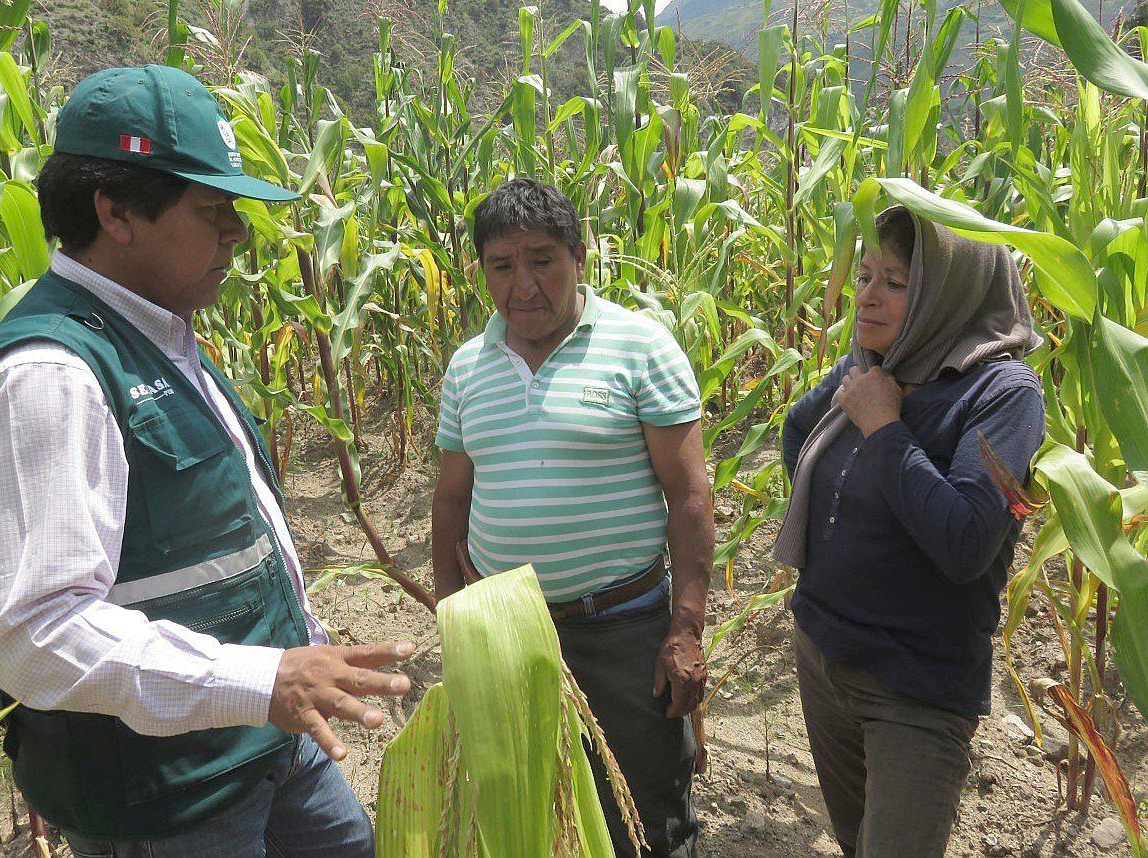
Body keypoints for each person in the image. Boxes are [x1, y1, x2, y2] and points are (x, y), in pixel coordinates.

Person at [0, 65, 414, 857]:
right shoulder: (49, 376)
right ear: (116, 212)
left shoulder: (164, 335)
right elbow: (33, 630)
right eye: (213, 208)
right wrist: (263, 679)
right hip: (167, 798)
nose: (238, 232)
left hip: (269, 745)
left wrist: (292, 656)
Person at [430, 177, 713, 857]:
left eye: (542, 260)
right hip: (511, 634)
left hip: (624, 630)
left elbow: (691, 497)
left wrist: (685, 629)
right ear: (482, 274)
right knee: (528, 809)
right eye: (502, 266)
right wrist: (454, 622)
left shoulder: (641, 347)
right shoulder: (469, 369)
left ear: (579, 257)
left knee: (646, 819)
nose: (523, 285)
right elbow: (450, 502)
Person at [772, 206, 1046, 858]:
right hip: (822, 655)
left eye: (895, 282)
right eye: (866, 275)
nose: (867, 294)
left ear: (943, 294)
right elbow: (797, 433)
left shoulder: (1002, 394)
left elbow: (965, 544)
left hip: (914, 692)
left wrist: (886, 430)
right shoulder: (874, 363)